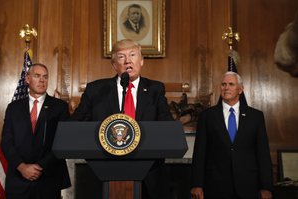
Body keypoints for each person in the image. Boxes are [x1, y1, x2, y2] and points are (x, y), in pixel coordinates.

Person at [70, 39, 173, 199]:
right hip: (104, 171)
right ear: (114, 65)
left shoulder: (155, 89)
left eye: (132, 55)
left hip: (148, 173)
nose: (128, 61)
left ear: (141, 61)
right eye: (121, 57)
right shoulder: (96, 90)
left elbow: (166, 126)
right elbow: (76, 125)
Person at [190, 71, 273, 199]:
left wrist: (266, 187)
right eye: (223, 84)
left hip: (248, 186)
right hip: (216, 186)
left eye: (231, 84)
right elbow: (200, 152)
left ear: (240, 89)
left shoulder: (255, 116)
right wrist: (197, 184)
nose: (226, 87)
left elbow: (263, 153)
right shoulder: (207, 116)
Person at [1, 63, 71, 199]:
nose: (42, 80)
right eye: (37, 76)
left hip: (48, 179)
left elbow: (62, 143)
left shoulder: (60, 107)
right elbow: (6, 142)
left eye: (45, 77)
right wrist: (22, 167)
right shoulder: (13, 108)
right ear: (27, 79)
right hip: (18, 179)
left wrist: (39, 167)